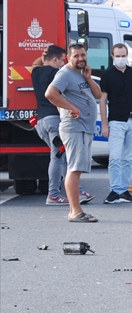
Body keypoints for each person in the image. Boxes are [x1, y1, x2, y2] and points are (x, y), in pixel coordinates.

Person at [45, 43, 101, 222]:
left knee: (76, 169)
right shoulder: (64, 73)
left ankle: (74, 211)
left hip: (84, 127)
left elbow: (98, 95)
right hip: (74, 127)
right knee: (74, 169)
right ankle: (76, 212)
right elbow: (50, 93)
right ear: (68, 58)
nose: (81, 58)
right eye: (76, 56)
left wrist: (89, 78)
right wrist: (71, 108)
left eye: (83, 55)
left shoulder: (81, 73)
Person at [99, 43, 132, 204]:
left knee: (127, 158)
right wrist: (104, 124)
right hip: (116, 120)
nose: (121, 59)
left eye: (123, 56)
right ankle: (115, 190)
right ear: (112, 56)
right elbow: (103, 100)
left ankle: (123, 190)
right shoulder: (107, 75)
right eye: (118, 56)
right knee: (115, 157)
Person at [31, 45, 71, 206]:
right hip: (54, 120)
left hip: (40, 121)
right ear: (55, 59)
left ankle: (74, 190)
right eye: (62, 59)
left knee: (62, 157)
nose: (63, 63)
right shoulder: (57, 74)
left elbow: (36, 63)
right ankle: (54, 194)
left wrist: (45, 55)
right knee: (58, 157)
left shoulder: (36, 72)